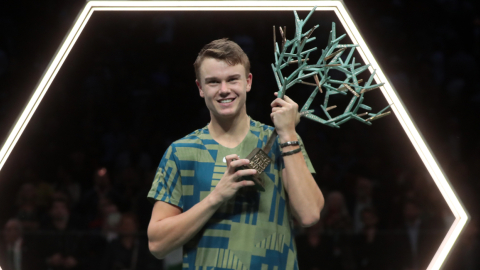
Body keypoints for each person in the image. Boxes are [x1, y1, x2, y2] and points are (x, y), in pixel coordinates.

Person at [147, 38, 324, 269]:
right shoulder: (182, 152)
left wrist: (288, 132)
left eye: (232, 79)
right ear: (200, 88)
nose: (224, 90)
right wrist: (217, 197)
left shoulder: (284, 140)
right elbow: (157, 244)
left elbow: (309, 215)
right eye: (213, 82)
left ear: (248, 81)